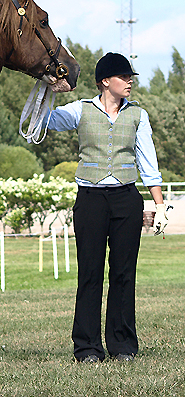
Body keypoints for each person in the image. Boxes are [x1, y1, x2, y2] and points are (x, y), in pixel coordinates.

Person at [45, 52, 169, 363]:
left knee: (124, 273)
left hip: (127, 198)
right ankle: (87, 348)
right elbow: (43, 122)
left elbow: (148, 162)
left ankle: (123, 345)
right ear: (105, 81)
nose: (130, 82)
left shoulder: (138, 115)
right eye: (124, 77)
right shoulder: (80, 110)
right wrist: (47, 90)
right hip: (90, 199)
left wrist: (160, 204)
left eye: (131, 77)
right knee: (90, 273)